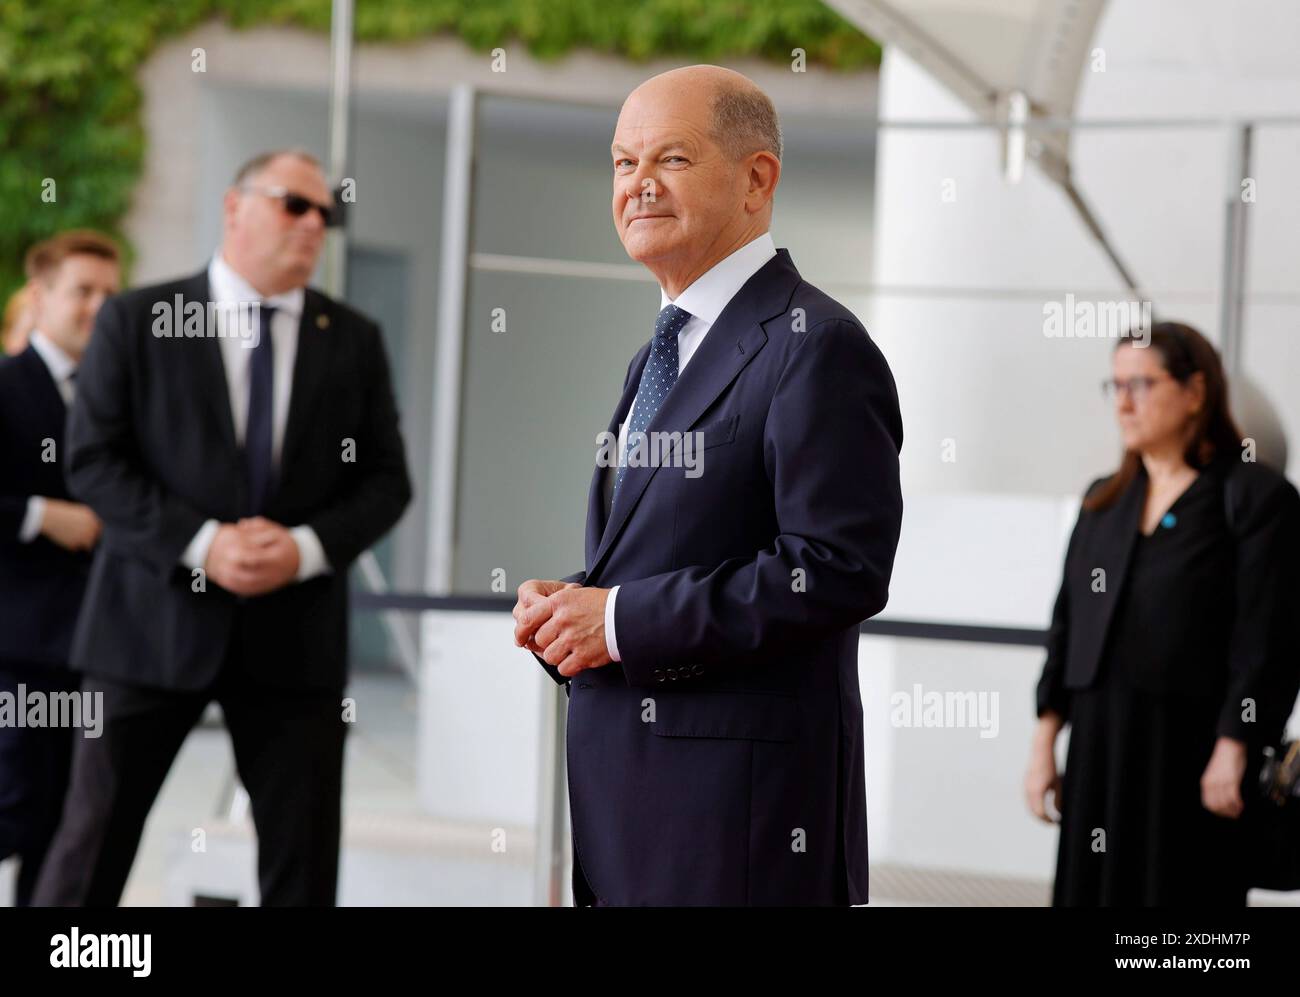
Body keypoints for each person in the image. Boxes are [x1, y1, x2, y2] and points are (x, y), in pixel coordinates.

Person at [511, 66, 904, 906]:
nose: (637, 185)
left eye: (672, 159)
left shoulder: (817, 345)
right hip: (633, 814)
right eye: (622, 164)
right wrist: (577, 611)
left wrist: (617, 620)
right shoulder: (659, 352)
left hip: (740, 830)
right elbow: (674, 550)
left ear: (758, 178)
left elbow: (836, 570)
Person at [32, 149, 412, 906]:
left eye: (325, 214)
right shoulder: (137, 320)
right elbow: (93, 462)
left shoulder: (354, 338)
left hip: (295, 642)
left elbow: (386, 482)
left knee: (301, 868)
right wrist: (204, 543)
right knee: (90, 850)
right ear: (235, 208)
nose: (314, 224)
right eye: (293, 205)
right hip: (146, 628)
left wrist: (302, 549)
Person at [1025, 321, 1300, 906]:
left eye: (1142, 384)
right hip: (1100, 744)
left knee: (1180, 901)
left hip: (1193, 748)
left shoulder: (1253, 498)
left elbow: (1268, 639)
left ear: (1195, 392)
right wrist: (1044, 742)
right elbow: (1067, 628)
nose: (1123, 401)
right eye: (1115, 384)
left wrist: (1235, 746)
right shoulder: (1105, 501)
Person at [0, 231, 119, 905]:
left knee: (66, 823)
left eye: (110, 294)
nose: (99, 307)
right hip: (17, 648)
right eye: (83, 291)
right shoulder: (6, 385)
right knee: (12, 806)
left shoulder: (115, 395)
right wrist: (45, 514)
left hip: (96, 647)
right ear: (41, 296)